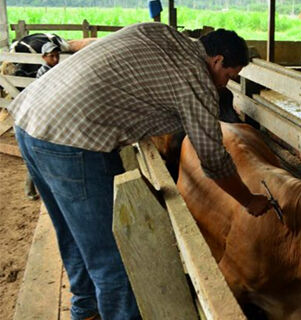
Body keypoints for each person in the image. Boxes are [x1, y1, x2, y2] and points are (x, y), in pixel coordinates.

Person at [8, 23, 271, 320]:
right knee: (117, 260)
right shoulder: (197, 77)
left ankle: (85, 310)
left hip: (29, 119)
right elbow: (212, 157)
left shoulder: (161, 31)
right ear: (217, 61)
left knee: (72, 233)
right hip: (72, 141)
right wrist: (250, 201)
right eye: (228, 76)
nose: (224, 84)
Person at [23, 42, 62, 201]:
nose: (55, 58)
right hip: (44, 119)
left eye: (57, 55)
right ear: (44, 57)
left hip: (50, 117)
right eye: (51, 56)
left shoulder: (55, 70)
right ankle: (30, 188)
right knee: (38, 156)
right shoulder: (44, 73)